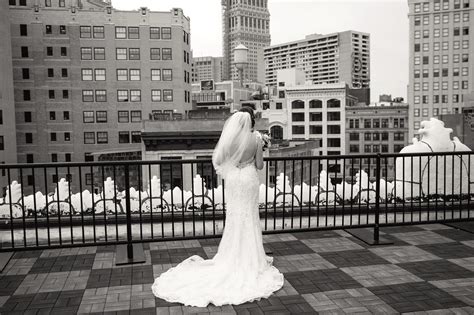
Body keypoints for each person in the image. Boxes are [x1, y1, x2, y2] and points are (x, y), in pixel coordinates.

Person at [151, 108, 284, 307]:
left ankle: (232, 256)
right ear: (251, 122)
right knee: (249, 216)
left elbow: (221, 161)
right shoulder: (256, 138)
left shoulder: (230, 140)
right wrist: (260, 149)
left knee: (235, 217)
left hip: (233, 181)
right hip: (248, 179)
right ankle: (252, 257)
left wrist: (235, 165)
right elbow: (259, 165)